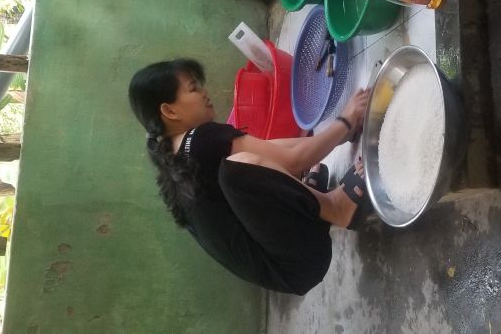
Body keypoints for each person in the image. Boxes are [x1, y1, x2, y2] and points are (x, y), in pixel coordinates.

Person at [128, 58, 373, 295]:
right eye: (193, 88)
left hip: (292, 270)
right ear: (169, 111)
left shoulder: (174, 159)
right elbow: (294, 160)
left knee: (249, 161)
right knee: (239, 168)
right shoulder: (202, 139)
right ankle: (335, 207)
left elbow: (273, 151)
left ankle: (312, 203)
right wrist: (346, 119)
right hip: (300, 260)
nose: (204, 92)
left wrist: (341, 135)